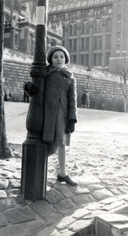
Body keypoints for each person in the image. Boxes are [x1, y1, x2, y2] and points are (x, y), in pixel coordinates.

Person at [43, 45, 78, 186]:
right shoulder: (46, 74)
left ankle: (62, 174)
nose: (59, 59)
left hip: (63, 118)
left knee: (62, 145)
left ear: (66, 59)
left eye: (61, 57)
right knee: (47, 144)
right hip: (47, 116)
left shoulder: (69, 78)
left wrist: (72, 119)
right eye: (55, 57)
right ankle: (40, 171)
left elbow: (72, 100)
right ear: (51, 59)